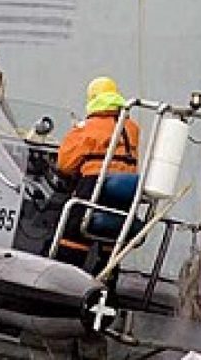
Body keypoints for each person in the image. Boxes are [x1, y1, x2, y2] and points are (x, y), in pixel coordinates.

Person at [54, 76, 140, 272]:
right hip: (125, 191)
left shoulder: (87, 128)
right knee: (112, 239)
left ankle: (64, 276)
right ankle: (107, 283)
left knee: (73, 231)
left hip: (94, 186)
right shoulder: (131, 128)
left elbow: (65, 165)